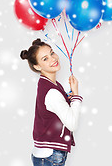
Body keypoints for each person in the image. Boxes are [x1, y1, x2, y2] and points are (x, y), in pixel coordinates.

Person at [20, 38, 83, 166]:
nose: (53, 59)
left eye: (52, 53)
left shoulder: (49, 84)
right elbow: (72, 124)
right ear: (37, 66)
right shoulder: (52, 92)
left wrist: (67, 98)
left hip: (46, 154)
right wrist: (76, 95)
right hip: (50, 156)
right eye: (45, 59)